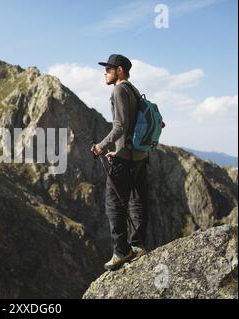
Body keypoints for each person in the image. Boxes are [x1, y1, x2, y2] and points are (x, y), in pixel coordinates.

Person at [92, 54, 149, 271]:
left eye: (108, 69)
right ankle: (138, 244)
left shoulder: (119, 89)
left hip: (126, 159)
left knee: (114, 204)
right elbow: (132, 125)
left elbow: (120, 125)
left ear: (120, 71)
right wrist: (117, 151)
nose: (105, 72)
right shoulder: (133, 90)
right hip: (139, 157)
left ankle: (121, 251)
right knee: (138, 200)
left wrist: (101, 146)